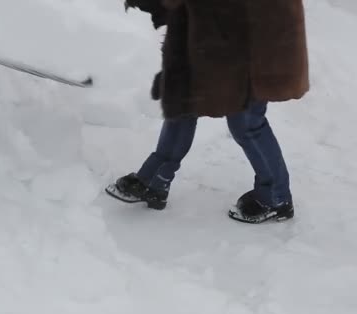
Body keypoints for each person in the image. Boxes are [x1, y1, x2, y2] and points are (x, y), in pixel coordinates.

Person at [106, 0, 310, 224]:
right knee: (183, 102)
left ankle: (276, 197)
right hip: (208, 31)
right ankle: (154, 181)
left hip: (255, 40)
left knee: (246, 122)